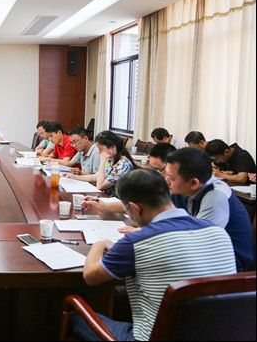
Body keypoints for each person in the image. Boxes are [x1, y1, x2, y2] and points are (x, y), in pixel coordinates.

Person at [72, 168, 237, 341]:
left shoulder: (137, 241)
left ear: (135, 208)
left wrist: (99, 244)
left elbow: (90, 276)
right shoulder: (219, 232)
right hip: (217, 334)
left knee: (73, 314)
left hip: (156, 337)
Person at [165, 147, 254, 271]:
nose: (166, 181)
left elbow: (198, 241)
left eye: (171, 178)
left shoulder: (215, 196)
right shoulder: (182, 188)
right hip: (203, 254)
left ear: (193, 183)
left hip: (230, 263)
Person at [64, 131, 135, 197]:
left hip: (118, 201)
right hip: (107, 197)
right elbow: (94, 177)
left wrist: (102, 161)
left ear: (113, 148)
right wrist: (73, 176)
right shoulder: (110, 160)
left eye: (101, 149)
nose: (99, 152)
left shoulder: (122, 165)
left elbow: (100, 186)